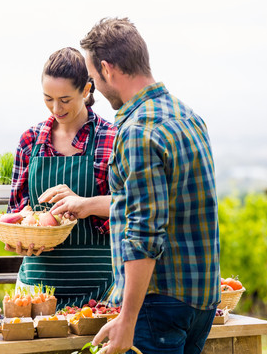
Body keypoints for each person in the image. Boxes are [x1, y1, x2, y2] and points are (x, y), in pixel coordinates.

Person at [77, 18, 221, 354]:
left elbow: (144, 233)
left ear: (107, 69)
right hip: (202, 299)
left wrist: (127, 321)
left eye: (94, 78)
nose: (95, 87)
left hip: (158, 306)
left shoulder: (137, 132)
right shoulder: (189, 117)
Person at [6, 47, 116, 309]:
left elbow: (132, 204)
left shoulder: (111, 138)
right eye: (48, 99)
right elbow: (17, 212)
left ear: (87, 89)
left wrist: (85, 204)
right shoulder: (30, 141)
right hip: (36, 287)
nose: (56, 108)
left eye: (65, 99)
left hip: (101, 287)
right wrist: (20, 239)